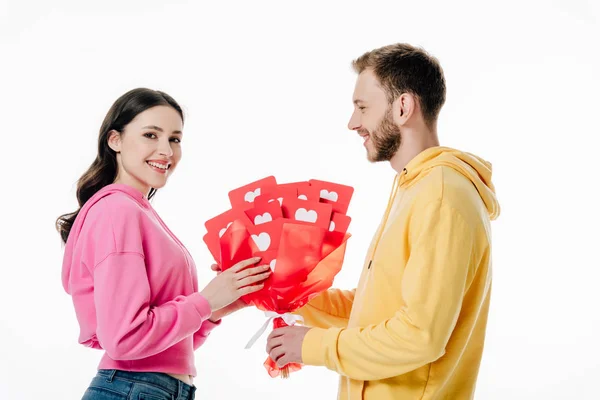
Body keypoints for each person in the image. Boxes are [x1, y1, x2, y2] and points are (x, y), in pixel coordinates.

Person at [265, 43, 501, 399]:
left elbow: (420, 336)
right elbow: (374, 312)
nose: (352, 123)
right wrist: (281, 291)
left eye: (362, 108)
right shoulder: (415, 187)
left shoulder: (440, 194)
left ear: (403, 107)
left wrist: (313, 346)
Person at [58, 88, 271, 400]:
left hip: (154, 389)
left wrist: (217, 307)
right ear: (114, 140)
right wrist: (205, 302)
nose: (167, 151)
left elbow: (163, 342)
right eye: (150, 135)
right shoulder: (118, 211)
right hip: (134, 388)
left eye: (175, 139)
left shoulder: (139, 212)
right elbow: (125, 340)